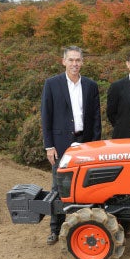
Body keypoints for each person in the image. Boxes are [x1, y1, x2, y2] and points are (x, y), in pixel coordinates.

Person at [41, 45, 102, 244]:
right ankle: (55, 229)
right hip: (60, 144)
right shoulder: (52, 84)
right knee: (59, 186)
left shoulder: (90, 85)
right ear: (64, 61)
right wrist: (49, 146)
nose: (75, 64)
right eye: (71, 60)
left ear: (82, 62)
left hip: (85, 141)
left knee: (88, 184)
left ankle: (86, 227)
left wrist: (95, 144)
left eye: (78, 60)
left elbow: (96, 118)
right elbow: (46, 116)